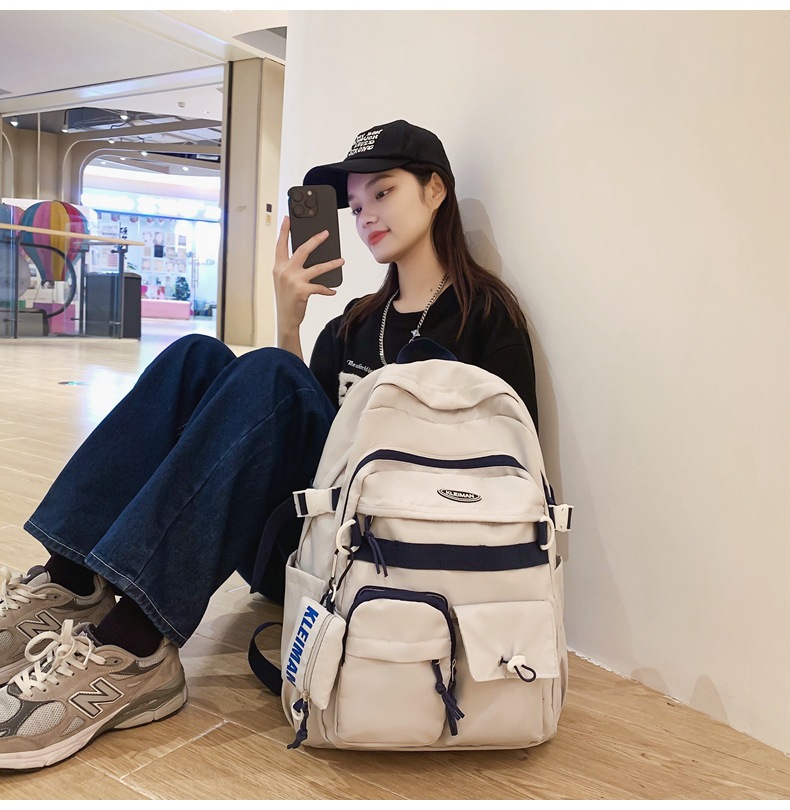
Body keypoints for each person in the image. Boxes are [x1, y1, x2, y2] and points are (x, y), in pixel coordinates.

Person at [0, 120, 538, 770]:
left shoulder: (485, 317)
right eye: (356, 204)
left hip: (394, 559)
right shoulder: (354, 324)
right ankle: (70, 583)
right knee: (197, 355)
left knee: (272, 374)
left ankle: (135, 645)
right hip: (308, 549)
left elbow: (512, 475)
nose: (365, 215)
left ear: (435, 191)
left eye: (384, 192)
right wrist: (288, 321)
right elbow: (301, 442)